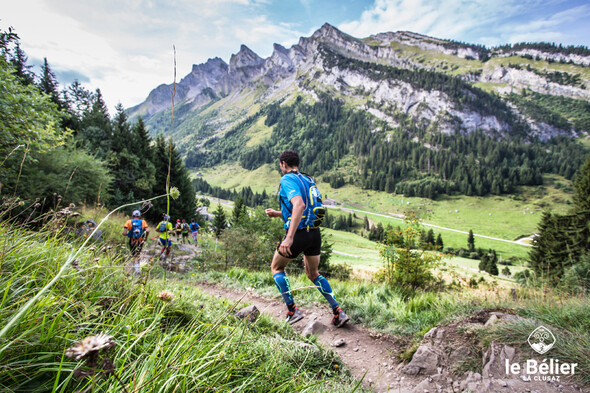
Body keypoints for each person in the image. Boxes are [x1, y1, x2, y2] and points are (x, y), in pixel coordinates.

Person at [265, 150, 349, 327]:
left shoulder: (287, 179)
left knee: (277, 267)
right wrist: (279, 214)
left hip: (298, 234)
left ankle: (292, 310)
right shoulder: (307, 179)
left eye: (280, 165)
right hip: (314, 234)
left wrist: (289, 238)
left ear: (283, 164)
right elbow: (305, 209)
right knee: (313, 274)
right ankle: (338, 312)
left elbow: (299, 205)